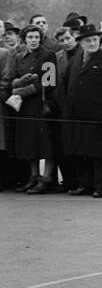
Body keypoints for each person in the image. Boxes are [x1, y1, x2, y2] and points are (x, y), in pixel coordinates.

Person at [58, 22, 102, 198]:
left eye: (95, 40)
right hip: (77, 114)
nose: (92, 43)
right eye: (88, 41)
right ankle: (83, 184)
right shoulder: (75, 60)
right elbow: (65, 84)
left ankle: (100, 186)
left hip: (98, 114)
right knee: (80, 151)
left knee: (98, 152)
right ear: (81, 42)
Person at [6, 24, 58, 193]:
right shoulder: (19, 57)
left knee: (46, 143)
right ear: (24, 39)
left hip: (42, 104)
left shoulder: (48, 55)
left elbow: (49, 82)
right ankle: (33, 176)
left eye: (36, 37)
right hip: (25, 107)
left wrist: (23, 91)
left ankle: (47, 177)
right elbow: (13, 79)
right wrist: (18, 84)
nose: (33, 40)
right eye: (30, 37)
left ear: (40, 39)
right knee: (29, 142)